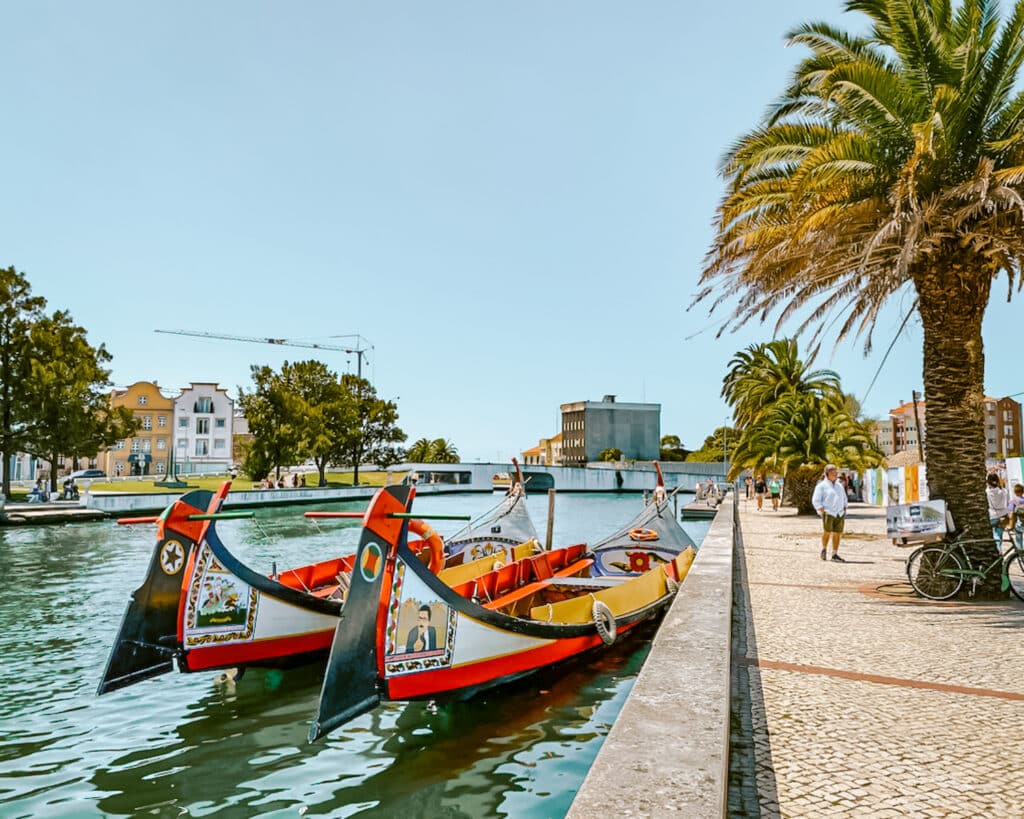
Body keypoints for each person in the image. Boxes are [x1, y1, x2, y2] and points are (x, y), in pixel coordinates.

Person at [812, 464, 848, 562]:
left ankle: (835, 554)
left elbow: (844, 497)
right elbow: (816, 499)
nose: (835, 474)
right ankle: (824, 549)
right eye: (833, 473)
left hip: (839, 513)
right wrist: (820, 509)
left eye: (836, 472)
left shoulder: (839, 485)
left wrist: (845, 506)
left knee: (837, 533)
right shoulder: (821, 486)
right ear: (827, 474)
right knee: (827, 532)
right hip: (828, 512)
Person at [986, 472, 1011, 547]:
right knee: (999, 534)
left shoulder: (987, 492)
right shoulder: (1004, 491)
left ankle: (998, 550)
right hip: (1004, 515)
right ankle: (999, 548)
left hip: (993, 516)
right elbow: (1008, 502)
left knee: (995, 535)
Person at [1009, 483, 1024, 554]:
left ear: (1015, 492)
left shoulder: (1013, 501)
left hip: (1019, 524)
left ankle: (1020, 555)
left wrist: (1011, 526)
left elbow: (1011, 514)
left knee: (1018, 540)